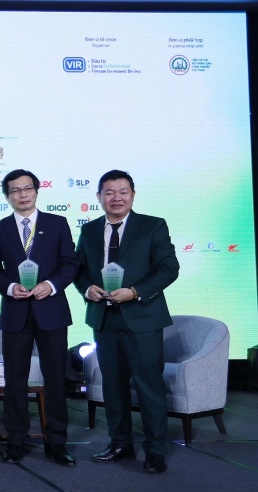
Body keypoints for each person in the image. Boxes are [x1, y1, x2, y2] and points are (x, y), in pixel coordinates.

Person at [74, 169, 179, 474]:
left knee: (149, 387)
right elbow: (79, 271)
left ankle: (156, 451)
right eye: (109, 192)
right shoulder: (90, 230)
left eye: (123, 192)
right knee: (113, 386)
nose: (116, 198)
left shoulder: (153, 225)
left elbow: (168, 268)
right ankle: (120, 443)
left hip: (143, 319)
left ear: (133, 195)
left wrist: (134, 292)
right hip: (105, 319)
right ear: (99, 197)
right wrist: (88, 289)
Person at [0, 169, 79, 466]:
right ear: (7, 196)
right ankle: (15, 441)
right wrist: (10, 287)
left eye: (27, 189)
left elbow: (70, 263)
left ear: (37, 191)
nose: (22, 194)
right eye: (15, 190)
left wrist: (50, 285)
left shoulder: (57, 223)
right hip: (16, 313)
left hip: (51, 311)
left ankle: (57, 443)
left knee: (56, 379)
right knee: (15, 381)